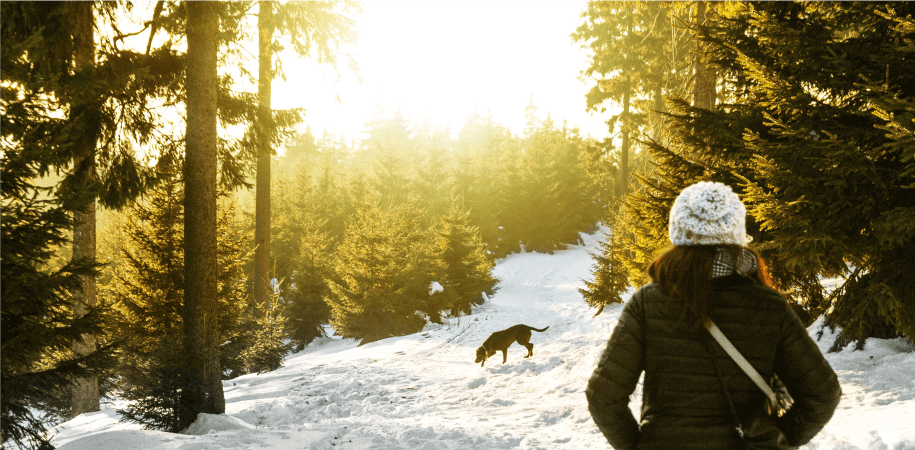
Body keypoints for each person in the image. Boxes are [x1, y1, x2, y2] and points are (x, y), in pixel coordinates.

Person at [586, 181, 841, 449]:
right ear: (737, 234)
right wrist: (778, 439)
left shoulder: (647, 302)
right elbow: (822, 394)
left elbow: (603, 395)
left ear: (679, 233)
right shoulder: (770, 306)